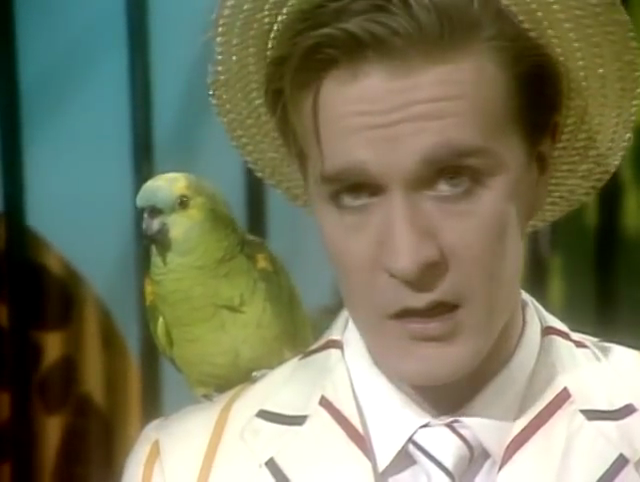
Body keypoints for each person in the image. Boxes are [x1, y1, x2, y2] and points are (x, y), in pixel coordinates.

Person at [122, 0, 640, 480]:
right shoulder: (185, 465)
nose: (409, 258)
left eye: (453, 180)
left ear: (539, 167)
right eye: (356, 193)